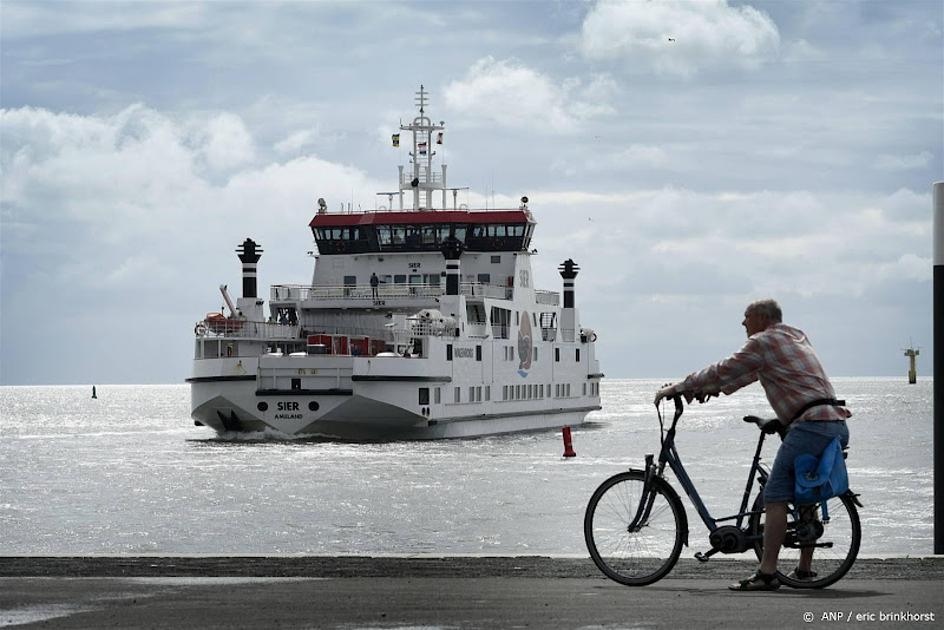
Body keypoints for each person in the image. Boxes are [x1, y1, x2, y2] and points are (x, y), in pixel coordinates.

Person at [653, 299, 850, 592]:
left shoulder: (763, 340)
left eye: (745, 317)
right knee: (803, 491)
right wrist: (709, 389)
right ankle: (804, 569)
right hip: (832, 422)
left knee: (776, 494)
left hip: (811, 425)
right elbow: (746, 374)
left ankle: (767, 573)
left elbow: (726, 368)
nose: (742, 323)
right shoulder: (793, 335)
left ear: (761, 318)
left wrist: (681, 386)